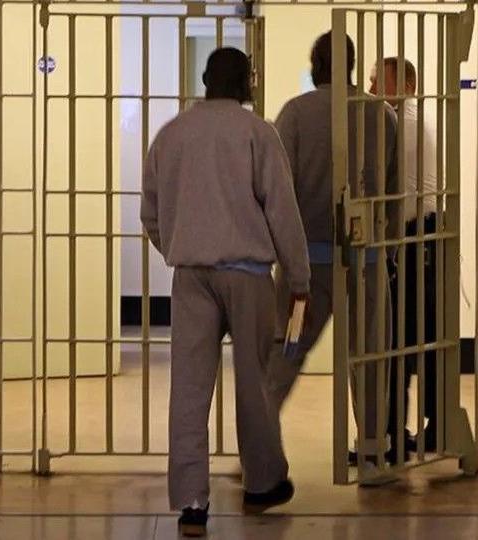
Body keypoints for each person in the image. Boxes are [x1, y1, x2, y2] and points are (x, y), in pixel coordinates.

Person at [141, 47, 310, 537]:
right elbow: (282, 210)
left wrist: (180, 246)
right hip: (249, 274)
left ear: (206, 80)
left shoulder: (170, 135)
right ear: (246, 82)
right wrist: (299, 278)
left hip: (190, 275)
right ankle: (262, 482)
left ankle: (191, 501)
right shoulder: (258, 133)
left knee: (189, 389)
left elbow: (151, 214)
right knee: (254, 384)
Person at [270, 32, 402, 467]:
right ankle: (371, 450)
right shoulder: (379, 115)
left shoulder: (294, 115)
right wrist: (391, 251)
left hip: (302, 267)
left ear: (315, 64)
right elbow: (392, 195)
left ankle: (261, 447)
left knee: (284, 354)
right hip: (364, 260)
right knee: (369, 357)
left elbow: (278, 192)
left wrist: (277, 254)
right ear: (351, 63)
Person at [370, 57, 439, 454]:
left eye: (379, 80)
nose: (372, 87)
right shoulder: (421, 118)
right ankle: (429, 427)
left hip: (410, 237)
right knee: (421, 336)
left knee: (394, 339)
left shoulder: (400, 124)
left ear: (405, 84)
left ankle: (392, 436)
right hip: (425, 236)